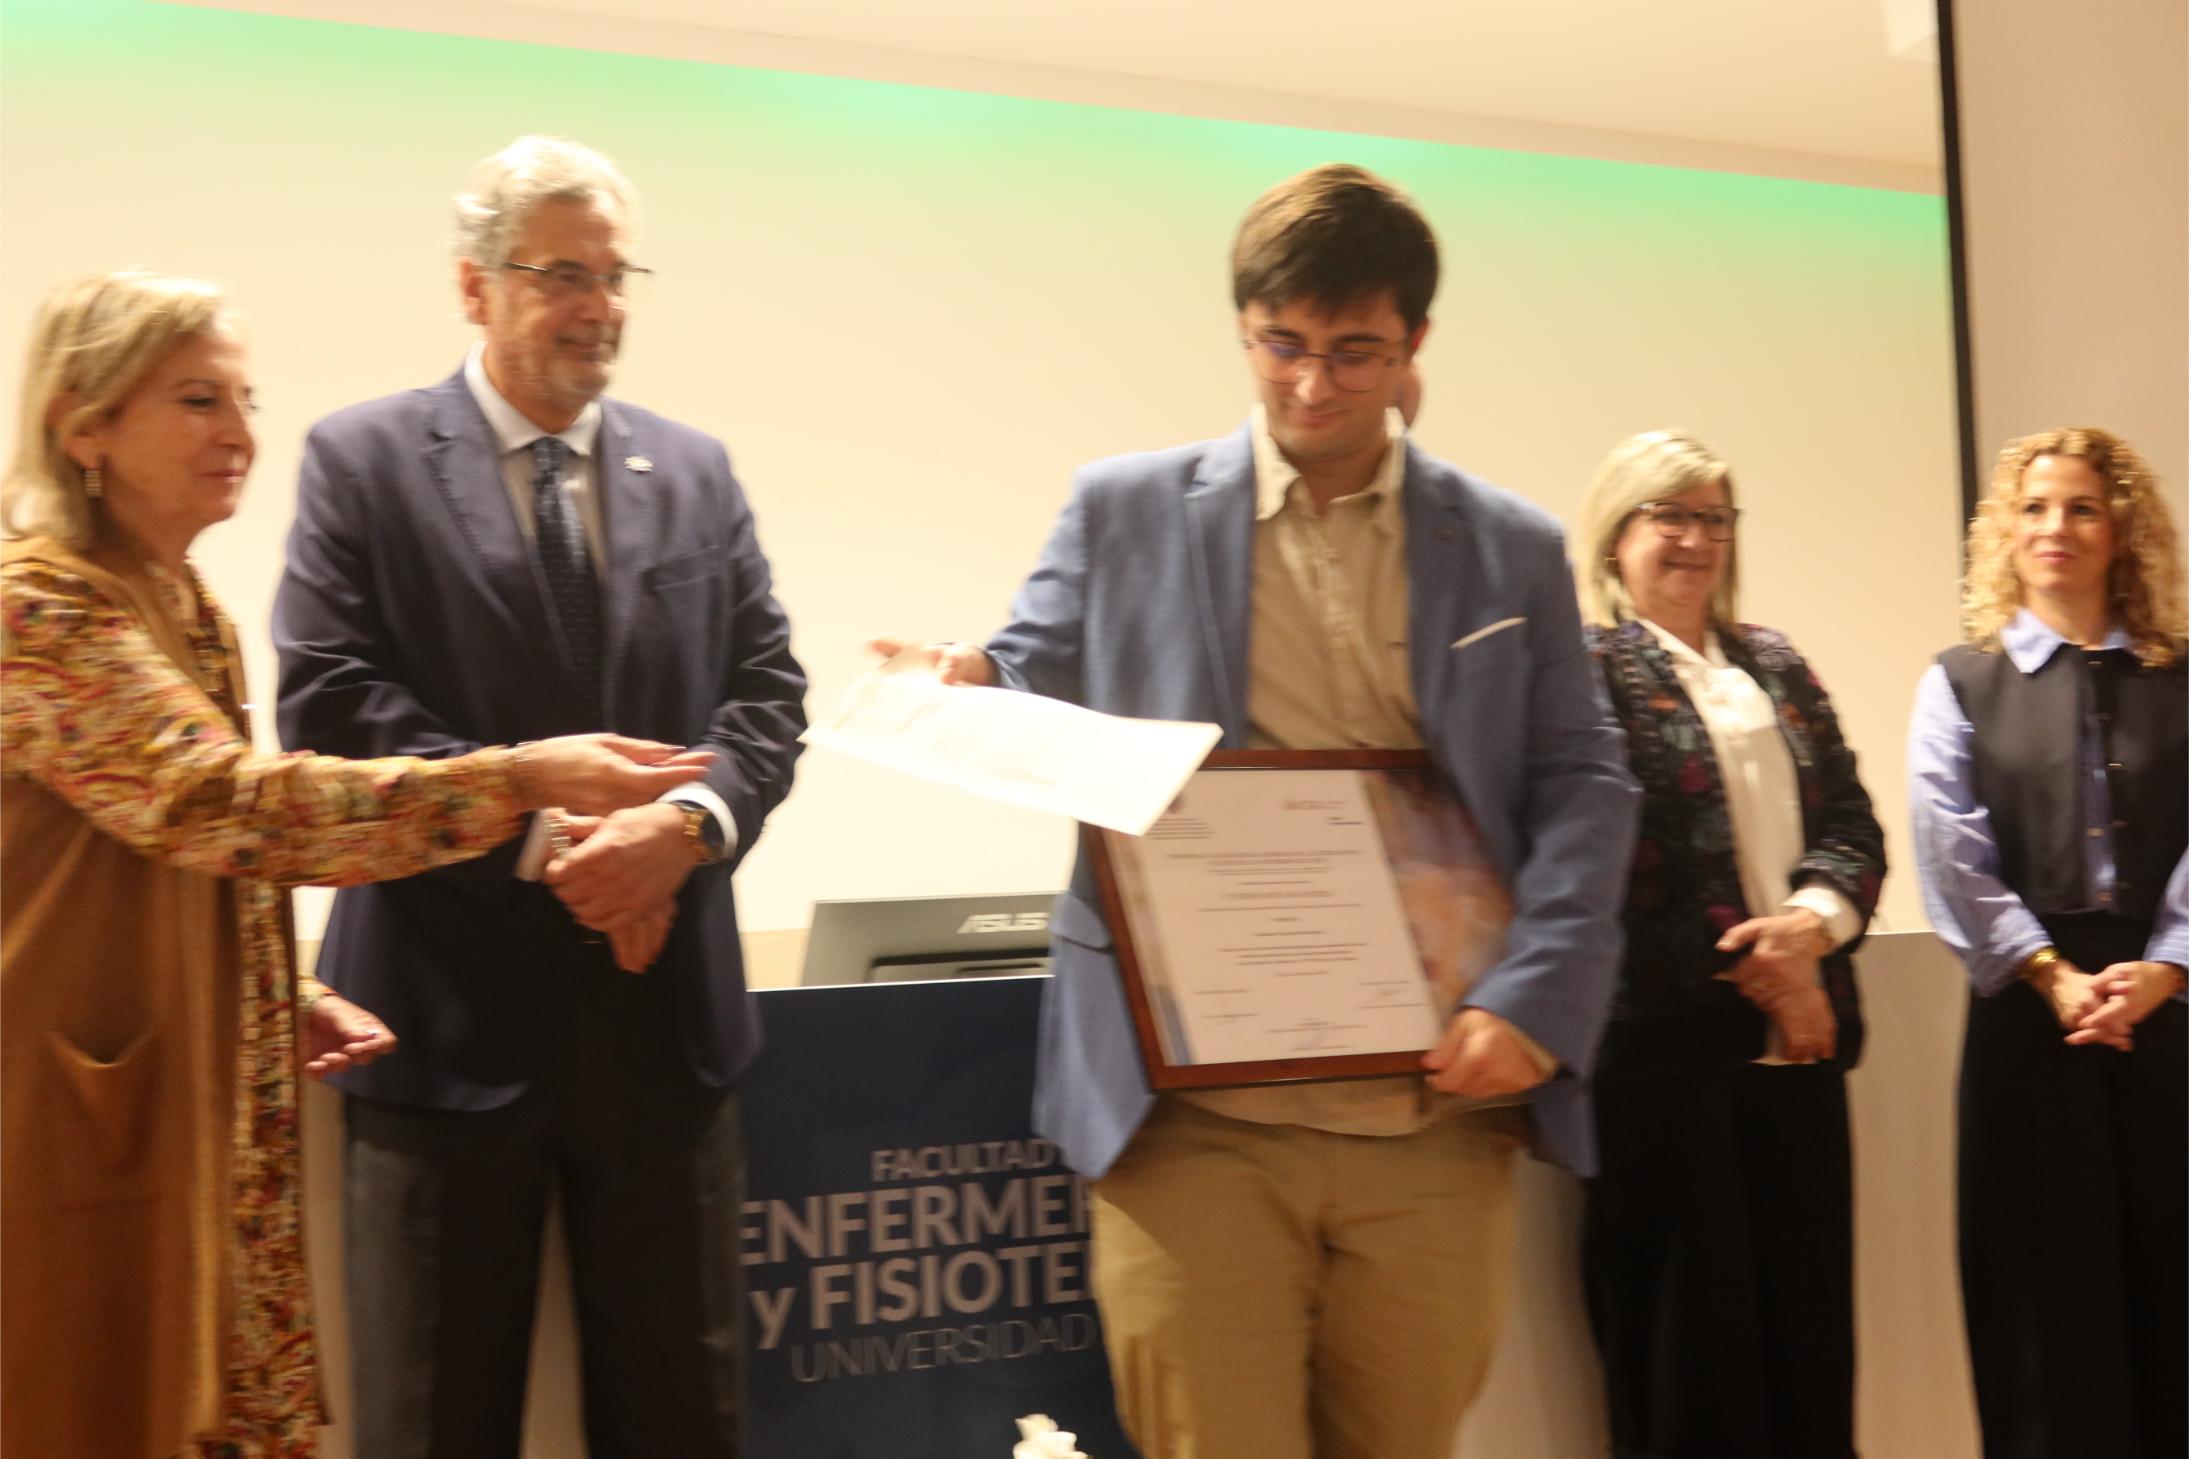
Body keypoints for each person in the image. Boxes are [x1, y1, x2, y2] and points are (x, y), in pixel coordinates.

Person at [878, 163, 1638, 1458]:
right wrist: (970, 677)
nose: (1310, 385)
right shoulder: (1122, 510)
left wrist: (1537, 999)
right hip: (1191, 1120)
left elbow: (1585, 780)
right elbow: (1026, 666)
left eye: (1353, 353)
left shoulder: (1507, 545)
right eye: (1281, 345)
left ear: (1414, 343)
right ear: (1242, 328)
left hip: (1427, 1116)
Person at [0, 270, 712, 1459]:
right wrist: (517, 779)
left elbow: (181, 854)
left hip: (185, 1097)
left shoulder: (177, 598)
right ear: (84, 426)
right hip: (66, 1110)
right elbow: (222, 806)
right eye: (196, 400)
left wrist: (278, 987)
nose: (239, 434)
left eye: (245, 399)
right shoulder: (40, 609)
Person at [272, 136, 806, 1458]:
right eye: (562, 274)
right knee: (432, 1424)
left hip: (664, 1035)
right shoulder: (363, 459)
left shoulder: (695, 469)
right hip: (439, 1030)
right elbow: (331, 705)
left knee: (682, 1426)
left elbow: (765, 697)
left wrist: (680, 831)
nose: (598, 305)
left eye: (615, 275)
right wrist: (560, 845)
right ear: (474, 285)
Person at [1572, 430, 1886, 1459]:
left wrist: (1810, 931)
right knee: (1684, 1366)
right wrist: (1769, 971)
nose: (1693, 538)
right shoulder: (1583, 671)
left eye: (1711, 517)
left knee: (1806, 1350)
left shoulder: (1775, 661)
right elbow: (1617, 856)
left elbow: (1852, 823)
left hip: (1797, 1055)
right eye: (1667, 514)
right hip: (1661, 1064)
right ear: (1614, 535)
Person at [1909, 426, 2186, 1459]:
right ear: (2004, 530)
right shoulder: (1957, 681)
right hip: (2029, 1022)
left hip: (2170, 1015)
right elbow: (1949, 852)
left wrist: (2166, 966)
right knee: (2039, 1303)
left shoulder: (2182, 677)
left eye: (2079, 507)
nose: (2053, 527)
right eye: (2031, 507)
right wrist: (2050, 973)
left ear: (2121, 531)